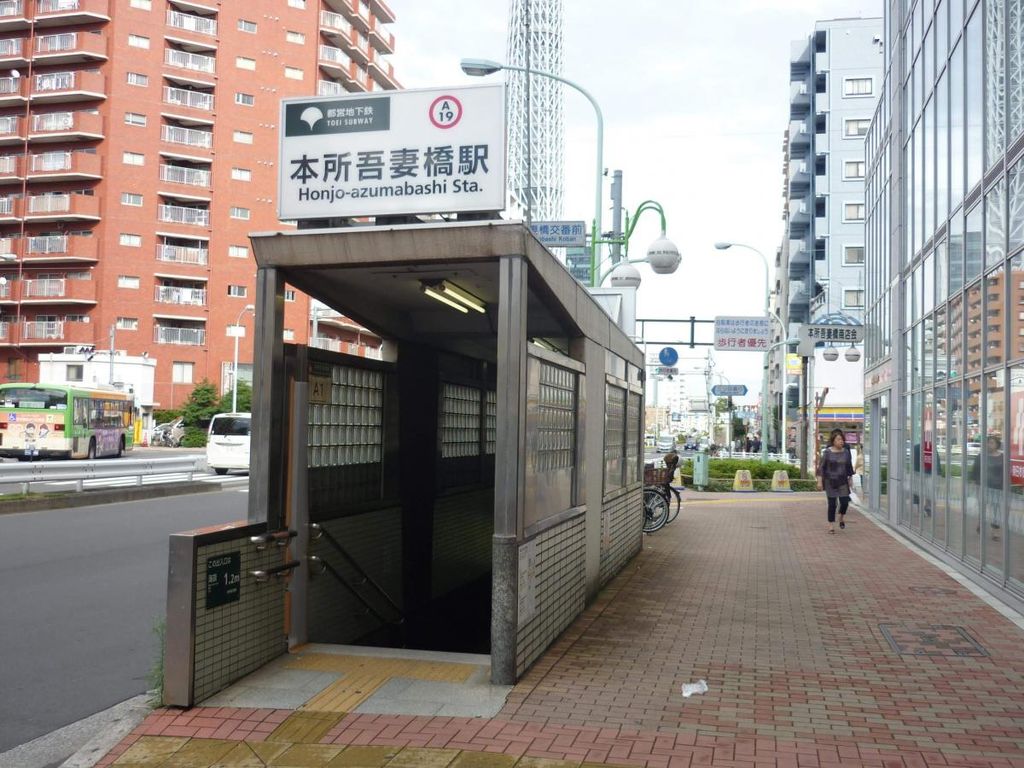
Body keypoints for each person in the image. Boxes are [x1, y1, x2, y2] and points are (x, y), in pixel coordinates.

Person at [816, 428, 854, 534]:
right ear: (833, 441)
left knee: (845, 502)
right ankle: (831, 526)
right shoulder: (827, 453)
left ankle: (841, 517)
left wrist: (850, 478)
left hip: (843, 481)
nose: (841, 441)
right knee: (832, 504)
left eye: (842, 440)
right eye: (838, 439)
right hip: (830, 481)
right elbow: (821, 468)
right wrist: (819, 481)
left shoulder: (846, 452)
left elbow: (849, 466)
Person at [970, 436, 1004, 537]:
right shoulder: (981, 456)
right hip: (983, 486)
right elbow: (975, 470)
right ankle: (981, 523)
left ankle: (995, 531)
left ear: (997, 445)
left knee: (996, 509)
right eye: (988, 443)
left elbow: (1005, 472)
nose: (989, 445)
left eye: (992, 443)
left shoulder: (1002, 457)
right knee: (983, 507)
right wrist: (974, 484)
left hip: (997, 487)